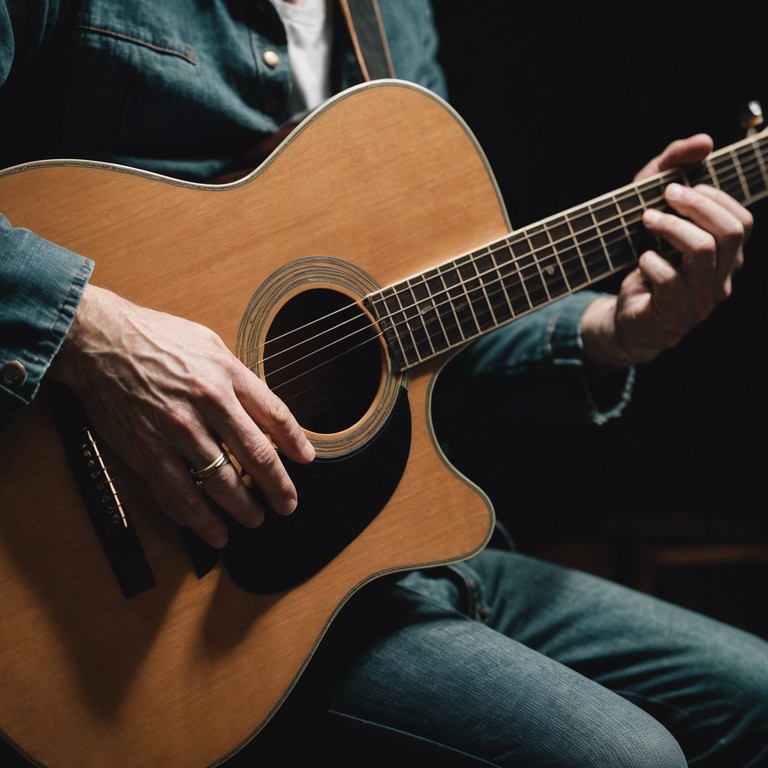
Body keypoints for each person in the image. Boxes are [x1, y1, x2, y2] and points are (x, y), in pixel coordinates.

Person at [1, 2, 766, 766]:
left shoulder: (389, 15)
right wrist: (91, 335)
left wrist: (613, 332)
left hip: (381, 565)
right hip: (165, 616)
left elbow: (422, 327)